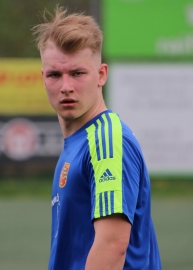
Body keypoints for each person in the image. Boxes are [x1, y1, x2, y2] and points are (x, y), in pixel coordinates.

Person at [32, 6, 161, 270]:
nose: (66, 86)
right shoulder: (80, 141)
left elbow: (112, 247)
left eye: (78, 73)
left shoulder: (106, 140)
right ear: (43, 78)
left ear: (101, 75)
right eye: (55, 74)